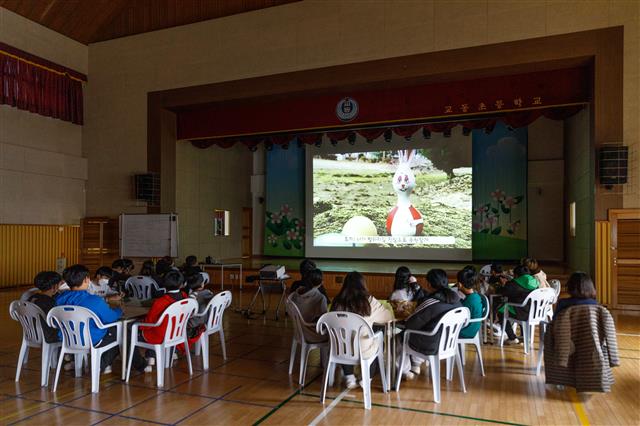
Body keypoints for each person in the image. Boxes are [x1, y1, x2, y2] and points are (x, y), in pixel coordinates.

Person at [56, 264, 146, 374]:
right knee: (123, 334)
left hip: (67, 338)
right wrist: (119, 310)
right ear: (86, 279)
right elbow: (111, 318)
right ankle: (102, 365)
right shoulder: (94, 300)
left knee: (117, 334)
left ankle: (96, 364)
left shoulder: (59, 298)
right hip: (91, 338)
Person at [330, 271, 393, 389]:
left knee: (345, 339)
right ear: (363, 284)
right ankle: (366, 378)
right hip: (363, 350)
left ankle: (349, 377)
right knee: (379, 340)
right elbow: (388, 317)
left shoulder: (337, 301)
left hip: (339, 349)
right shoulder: (369, 301)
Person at [401, 269, 462, 378]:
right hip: (449, 343)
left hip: (432, 344)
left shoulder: (431, 302)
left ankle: (405, 371)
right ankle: (415, 364)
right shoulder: (457, 301)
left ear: (429, 284)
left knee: (399, 337)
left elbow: (411, 324)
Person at [139, 270, 201, 369]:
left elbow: (149, 322)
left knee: (135, 329)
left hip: (161, 335)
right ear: (182, 285)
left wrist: (140, 324)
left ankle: (148, 357)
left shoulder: (160, 302)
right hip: (178, 333)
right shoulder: (185, 298)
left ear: (164, 284)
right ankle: (153, 354)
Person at [495, 265, 539, 345]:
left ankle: (512, 338)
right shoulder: (535, 282)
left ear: (516, 275)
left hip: (522, 313)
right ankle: (524, 336)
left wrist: (504, 284)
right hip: (535, 313)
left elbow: (502, 292)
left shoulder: (514, 284)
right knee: (520, 307)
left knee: (501, 312)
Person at [289, 269, 328, 342]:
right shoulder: (320, 298)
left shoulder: (295, 294)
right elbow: (323, 320)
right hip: (310, 333)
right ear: (321, 282)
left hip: (298, 331)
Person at [28, 271, 62, 345]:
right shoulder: (49, 303)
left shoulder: (31, 298)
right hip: (48, 336)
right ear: (55, 287)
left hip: (32, 334)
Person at [457, 268, 484, 339]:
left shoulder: (470, 300)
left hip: (466, 331)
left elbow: (459, 315)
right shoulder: (475, 296)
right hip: (472, 328)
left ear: (459, 284)